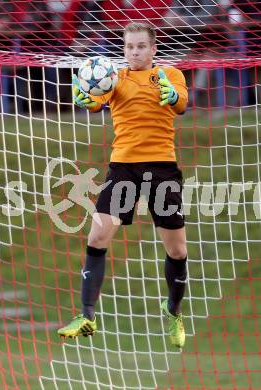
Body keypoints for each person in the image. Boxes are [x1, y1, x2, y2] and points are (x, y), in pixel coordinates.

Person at [57, 22, 189, 349]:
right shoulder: (115, 78)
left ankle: (173, 310)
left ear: (154, 48)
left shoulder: (171, 75)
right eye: (129, 46)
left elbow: (181, 103)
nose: (134, 52)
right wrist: (86, 101)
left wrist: (173, 97)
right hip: (124, 167)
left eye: (141, 46)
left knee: (177, 249)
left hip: (161, 167)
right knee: (98, 236)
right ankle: (87, 314)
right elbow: (96, 100)